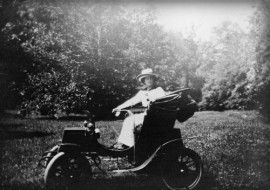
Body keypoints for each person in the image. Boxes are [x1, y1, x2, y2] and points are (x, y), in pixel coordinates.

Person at [112, 68, 166, 149]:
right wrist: (119, 107)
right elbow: (132, 101)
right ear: (144, 80)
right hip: (147, 115)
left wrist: (154, 101)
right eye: (147, 78)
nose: (149, 80)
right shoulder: (142, 92)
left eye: (151, 78)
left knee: (130, 120)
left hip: (156, 115)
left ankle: (127, 145)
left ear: (154, 79)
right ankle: (126, 143)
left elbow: (163, 101)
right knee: (129, 119)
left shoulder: (159, 90)